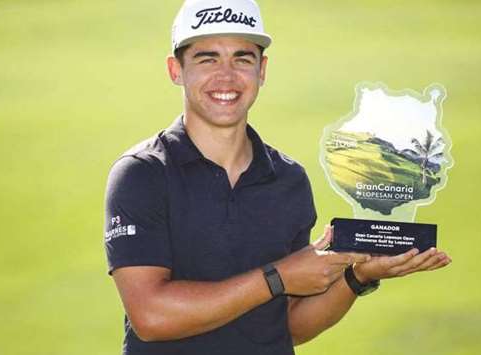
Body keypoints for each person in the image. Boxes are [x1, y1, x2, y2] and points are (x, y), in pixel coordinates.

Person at [103, 1, 452, 354]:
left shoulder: (288, 180)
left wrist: (357, 276)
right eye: (207, 59)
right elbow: (151, 316)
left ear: (262, 70)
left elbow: (287, 324)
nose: (226, 76)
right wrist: (278, 276)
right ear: (175, 70)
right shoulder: (142, 174)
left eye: (242, 58)